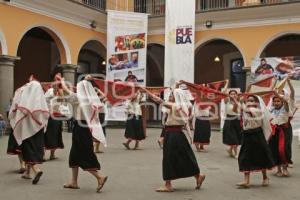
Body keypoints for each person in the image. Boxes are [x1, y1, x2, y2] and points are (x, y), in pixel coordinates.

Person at [142, 87, 205, 192]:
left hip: (172, 135)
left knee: (168, 158)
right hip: (179, 134)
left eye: (171, 95)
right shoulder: (186, 106)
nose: (170, 97)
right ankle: (198, 175)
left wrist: (146, 92)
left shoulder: (175, 106)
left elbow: (158, 100)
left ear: (177, 97)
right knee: (185, 156)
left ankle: (168, 185)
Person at [62, 75, 108, 193]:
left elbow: (67, 92)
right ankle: (74, 182)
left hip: (80, 128)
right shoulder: (92, 98)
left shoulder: (79, 97)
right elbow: (102, 97)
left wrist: (61, 81)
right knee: (74, 155)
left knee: (84, 155)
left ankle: (100, 177)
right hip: (86, 127)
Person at [9, 77, 49, 184]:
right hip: (38, 129)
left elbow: (14, 108)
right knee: (34, 149)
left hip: (26, 129)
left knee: (27, 150)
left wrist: (12, 116)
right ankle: (27, 173)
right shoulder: (40, 100)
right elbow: (45, 115)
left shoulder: (22, 95)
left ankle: (36, 170)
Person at [237, 95, 274, 188]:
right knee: (244, 157)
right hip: (246, 135)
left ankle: (265, 177)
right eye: (248, 100)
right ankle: (246, 180)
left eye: (252, 100)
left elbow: (247, 110)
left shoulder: (258, 111)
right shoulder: (244, 110)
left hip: (257, 135)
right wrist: (238, 101)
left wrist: (240, 101)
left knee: (261, 156)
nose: (250, 102)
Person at [269, 95, 292, 177]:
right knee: (275, 149)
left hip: (284, 131)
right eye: (274, 101)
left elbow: (286, 103)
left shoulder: (285, 109)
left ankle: (285, 169)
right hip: (274, 132)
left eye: (278, 101)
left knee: (284, 149)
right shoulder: (271, 110)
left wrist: (279, 96)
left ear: (282, 102)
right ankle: (278, 169)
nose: (276, 103)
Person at [43, 75, 65, 160]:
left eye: (59, 82)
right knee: (47, 135)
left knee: (56, 135)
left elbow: (63, 101)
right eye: (56, 81)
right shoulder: (49, 91)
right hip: (49, 115)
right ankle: (43, 154)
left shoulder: (61, 91)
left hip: (57, 116)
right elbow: (45, 100)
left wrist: (60, 91)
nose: (57, 83)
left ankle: (52, 154)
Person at [222, 90, 242, 158]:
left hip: (237, 120)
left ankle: (230, 150)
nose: (233, 95)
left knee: (237, 137)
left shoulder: (238, 102)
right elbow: (224, 93)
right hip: (229, 120)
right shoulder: (227, 101)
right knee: (233, 138)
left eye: (234, 94)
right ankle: (236, 153)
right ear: (229, 95)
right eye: (231, 94)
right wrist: (226, 83)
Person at [94, 87, 108, 154]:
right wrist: (98, 90)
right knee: (99, 131)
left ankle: (96, 148)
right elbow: (104, 96)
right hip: (99, 117)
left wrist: (97, 91)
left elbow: (106, 97)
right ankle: (96, 149)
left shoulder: (99, 100)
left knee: (99, 132)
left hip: (100, 116)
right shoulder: (95, 100)